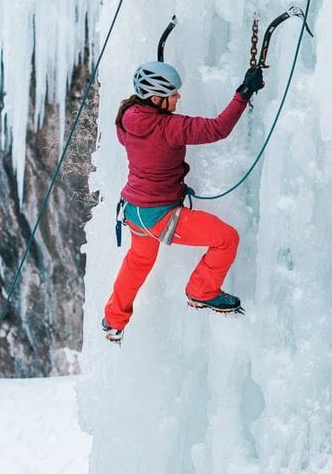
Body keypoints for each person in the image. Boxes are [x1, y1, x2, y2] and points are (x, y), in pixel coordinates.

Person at [102, 59, 264, 342]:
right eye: (173, 94)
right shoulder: (170, 127)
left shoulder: (126, 117)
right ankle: (202, 292)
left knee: (138, 263)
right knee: (226, 238)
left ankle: (114, 321)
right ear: (156, 99)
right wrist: (244, 93)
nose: (179, 97)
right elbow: (218, 129)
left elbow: (146, 142)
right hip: (159, 214)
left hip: (133, 211)